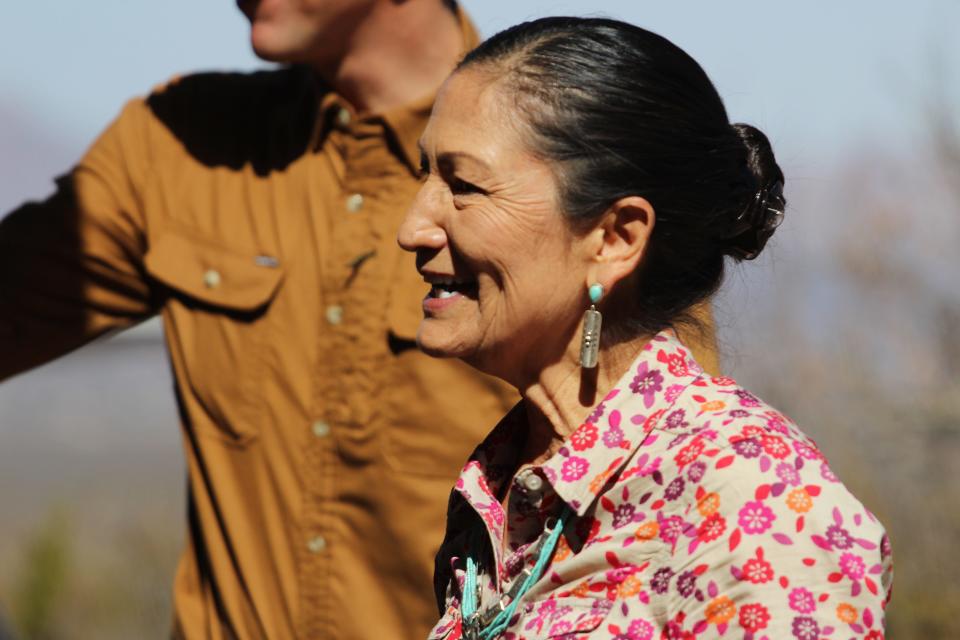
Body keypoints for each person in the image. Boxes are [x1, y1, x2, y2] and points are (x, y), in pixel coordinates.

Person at [398, 16, 894, 640]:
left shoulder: (756, 503)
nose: (414, 227)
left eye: (464, 184)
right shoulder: (500, 493)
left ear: (615, 237)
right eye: (425, 174)